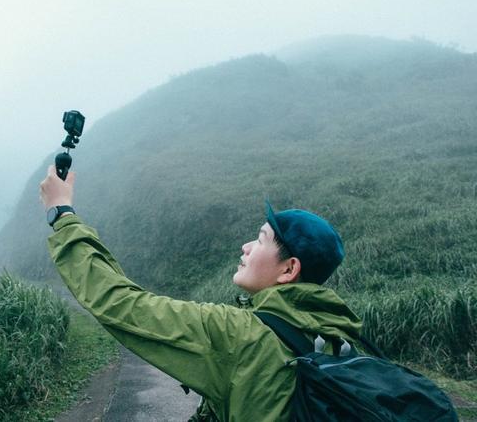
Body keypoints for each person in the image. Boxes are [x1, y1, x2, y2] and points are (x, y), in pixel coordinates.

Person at [40, 165, 362, 422]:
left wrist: (62, 214)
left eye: (261, 240)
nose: (246, 247)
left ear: (289, 269)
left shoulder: (239, 335)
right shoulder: (344, 340)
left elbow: (122, 303)